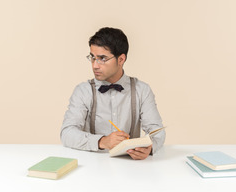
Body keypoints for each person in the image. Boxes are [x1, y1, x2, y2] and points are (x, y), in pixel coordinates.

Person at [60, 27, 165, 160]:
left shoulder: (141, 90)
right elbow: (67, 133)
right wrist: (102, 141)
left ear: (121, 59)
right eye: (92, 57)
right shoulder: (83, 91)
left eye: (102, 58)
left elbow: (157, 132)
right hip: (91, 165)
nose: (95, 65)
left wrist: (150, 148)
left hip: (131, 166)